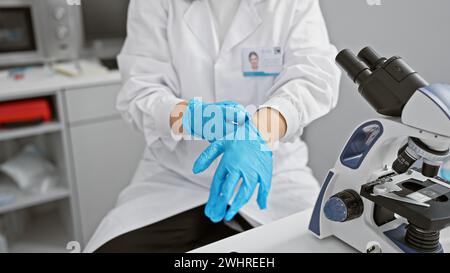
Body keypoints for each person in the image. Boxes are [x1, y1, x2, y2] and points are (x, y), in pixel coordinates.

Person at [85, 0, 341, 253]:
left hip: (275, 175)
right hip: (176, 174)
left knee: (326, 246)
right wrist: (190, 118)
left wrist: (259, 132)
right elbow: (139, 88)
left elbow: (312, 76)